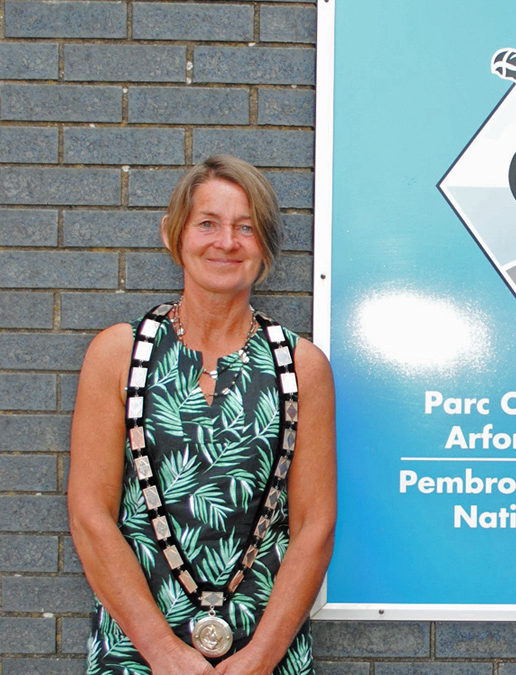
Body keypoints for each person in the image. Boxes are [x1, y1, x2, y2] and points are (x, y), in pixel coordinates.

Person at [69, 155, 337, 674]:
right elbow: (90, 517)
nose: (226, 242)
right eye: (207, 224)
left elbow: (314, 525)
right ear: (175, 235)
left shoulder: (300, 366)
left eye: (246, 227)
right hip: (136, 652)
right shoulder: (119, 354)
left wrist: (260, 658)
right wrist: (163, 654)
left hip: (266, 655)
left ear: (265, 246)